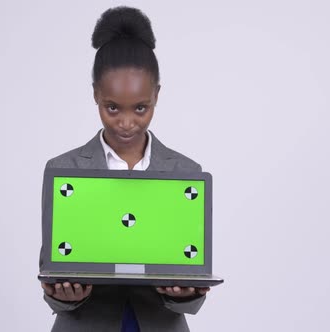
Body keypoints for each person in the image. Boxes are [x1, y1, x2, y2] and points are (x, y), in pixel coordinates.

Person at [40, 6, 211, 332]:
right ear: (95, 95)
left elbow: (192, 271)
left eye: (141, 108)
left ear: (156, 96)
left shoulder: (185, 172)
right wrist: (64, 294)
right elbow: (52, 269)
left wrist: (186, 292)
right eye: (113, 107)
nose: (127, 122)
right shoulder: (64, 169)